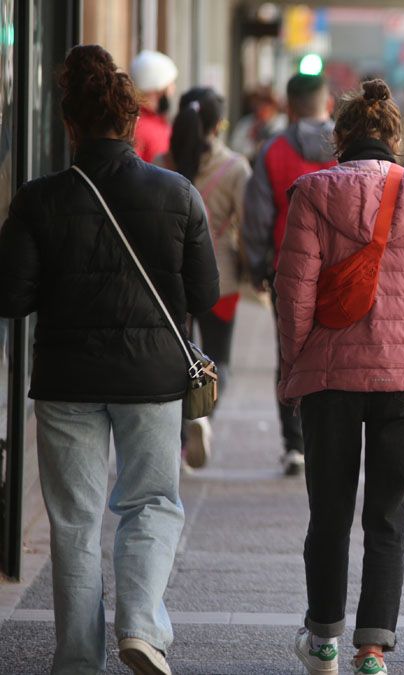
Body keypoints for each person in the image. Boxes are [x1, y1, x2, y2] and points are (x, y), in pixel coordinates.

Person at [0, 44, 219, 675]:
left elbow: (10, 297)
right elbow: (204, 293)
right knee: (150, 501)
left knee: (73, 519)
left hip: (67, 378)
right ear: (130, 122)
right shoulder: (176, 193)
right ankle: (142, 629)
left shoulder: (38, 200)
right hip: (152, 379)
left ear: (69, 125)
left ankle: (76, 660)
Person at [275, 79, 404, 675]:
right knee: (388, 514)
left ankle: (324, 639)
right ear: (394, 136)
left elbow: (294, 291)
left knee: (328, 511)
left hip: (330, 374)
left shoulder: (310, 192)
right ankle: (373, 647)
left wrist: (293, 367)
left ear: (341, 137)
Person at [242, 73, 337, 476]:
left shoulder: (273, 150)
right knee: (338, 354)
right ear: (327, 103)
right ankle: (332, 440)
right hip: (343, 271)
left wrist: (258, 264)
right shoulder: (347, 147)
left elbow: (258, 216)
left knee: (291, 357)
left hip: (288, 270)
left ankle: (294, 444)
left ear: (290, 105)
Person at [155, 87, 252, 470]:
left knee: (176, 360)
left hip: (169, 279)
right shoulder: (236, 168)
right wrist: (251, 271)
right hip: (220, 279)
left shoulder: (161, 163)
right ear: (217, 125)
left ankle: (181, 435)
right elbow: (246, 227)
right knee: (216, 361)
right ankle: (202, 415)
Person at [130, 50, 178, 162]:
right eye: (170, 84)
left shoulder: (155, 122)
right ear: (158, 89)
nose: (173, 90)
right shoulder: (139, 128)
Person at [228, 86, 287, 159]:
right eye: (258, 105)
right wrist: (253, 146)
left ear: (273, 106)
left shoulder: (282, 122)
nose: (261, 109)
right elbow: (234, 147)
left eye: (266, 105)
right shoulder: (246, 123)